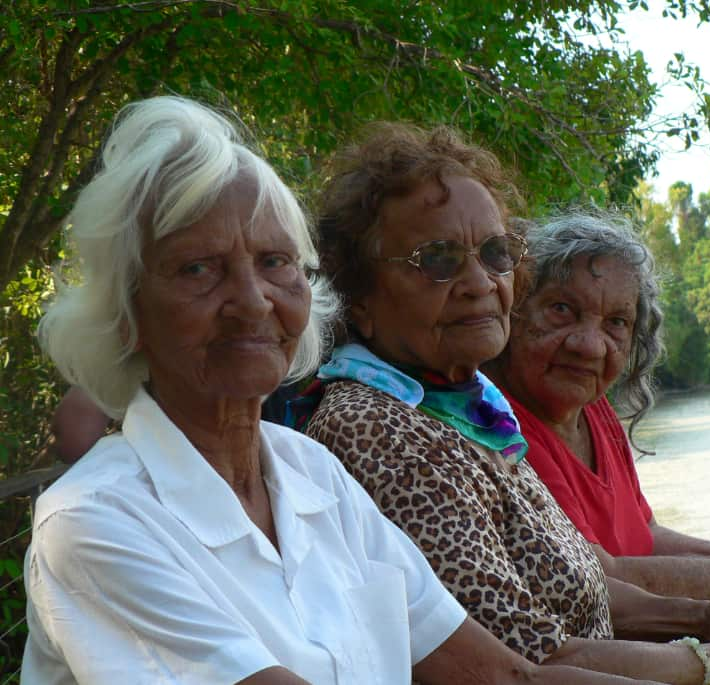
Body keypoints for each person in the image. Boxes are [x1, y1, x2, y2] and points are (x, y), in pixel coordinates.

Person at [23, 96, 655, 685]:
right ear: (126, 316)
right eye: (198, 268)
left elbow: (508, 675)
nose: (251, 302)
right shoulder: (95, 522)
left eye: (274, 262)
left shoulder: (312, 474)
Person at [296, 121, 710, 684]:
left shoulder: (468, 411)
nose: (479, 282)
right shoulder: (381, 433)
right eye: (437, 259)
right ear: (358, 297)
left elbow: (578, 582)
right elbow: (529, 663)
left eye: (494, 253)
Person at [482, 211, 710, 600]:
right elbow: (599, 579)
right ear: (515, 309)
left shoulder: (593, 408)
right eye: (561, 309)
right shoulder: (501, 429)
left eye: (617, 323)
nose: (589, 346)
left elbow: (648, 537)